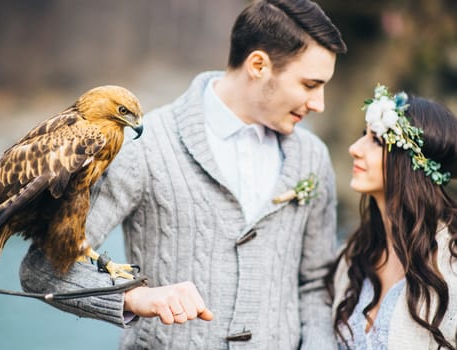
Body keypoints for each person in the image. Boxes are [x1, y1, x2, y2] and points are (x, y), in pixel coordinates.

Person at [20, 0, 347, 348]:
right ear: (258, 65)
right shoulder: (144, 148)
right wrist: (133, 297)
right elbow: (42, 269)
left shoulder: (312, 156)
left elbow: (315, 285)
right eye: (310, 85)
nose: (319, 104)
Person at [327, 84, 457, 349]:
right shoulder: (354, 256)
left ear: (411, 162)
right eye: (363, 135)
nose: (354, 148)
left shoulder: (451, 264)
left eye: (376, 140)